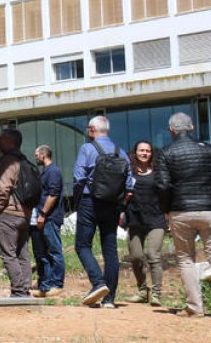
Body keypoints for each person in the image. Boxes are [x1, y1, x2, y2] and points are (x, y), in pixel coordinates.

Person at [154, 112, 211, 318]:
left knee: (186, 258)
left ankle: (195, 307)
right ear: (192, 128)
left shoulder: (166, 153)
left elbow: (163, 185)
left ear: (171, 131)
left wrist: (166, 209)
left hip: (181, 211)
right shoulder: (210, 150)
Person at [72, 115, 134, 308]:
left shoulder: (87, 148)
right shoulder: (121, 152)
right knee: (110, 250)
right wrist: (120, 204)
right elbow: (130, 186)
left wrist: (78, 201)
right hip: (113, 205)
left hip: (91, 202)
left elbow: (78, 178)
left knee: (82, 245)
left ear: (92, 130)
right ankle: (110, 299)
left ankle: (98, 283)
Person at [123, 140, 166, 306]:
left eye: (148, 151)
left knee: (153, 255)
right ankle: (142, 291)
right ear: (135, 152)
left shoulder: (158, 172)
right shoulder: (129, 172)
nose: (144, 153)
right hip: (135, 219)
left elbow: (165, 191)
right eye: (141, 150)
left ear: (151, 154)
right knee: (135, 257)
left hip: (156, 218)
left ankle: (156, 294)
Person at [0, 128, 31, 297]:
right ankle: (26, 289)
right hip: (25, 214)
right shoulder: (25, 161)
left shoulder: (9, 161)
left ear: (11, 142)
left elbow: (4, 188)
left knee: (9, 254)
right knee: (22, 254)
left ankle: (18, 291)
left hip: (8, 214)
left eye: (2, 139)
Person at [30, 144, 65, 297]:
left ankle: (57, 284)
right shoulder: (45, 172)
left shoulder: (53, 172)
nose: (35, 157)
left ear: (43, 154)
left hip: (50, 217)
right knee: (43, 252)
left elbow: (53, 194)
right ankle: (46, 286)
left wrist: (43, 214)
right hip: (44, 217)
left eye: (36, 154)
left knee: (54, 251)